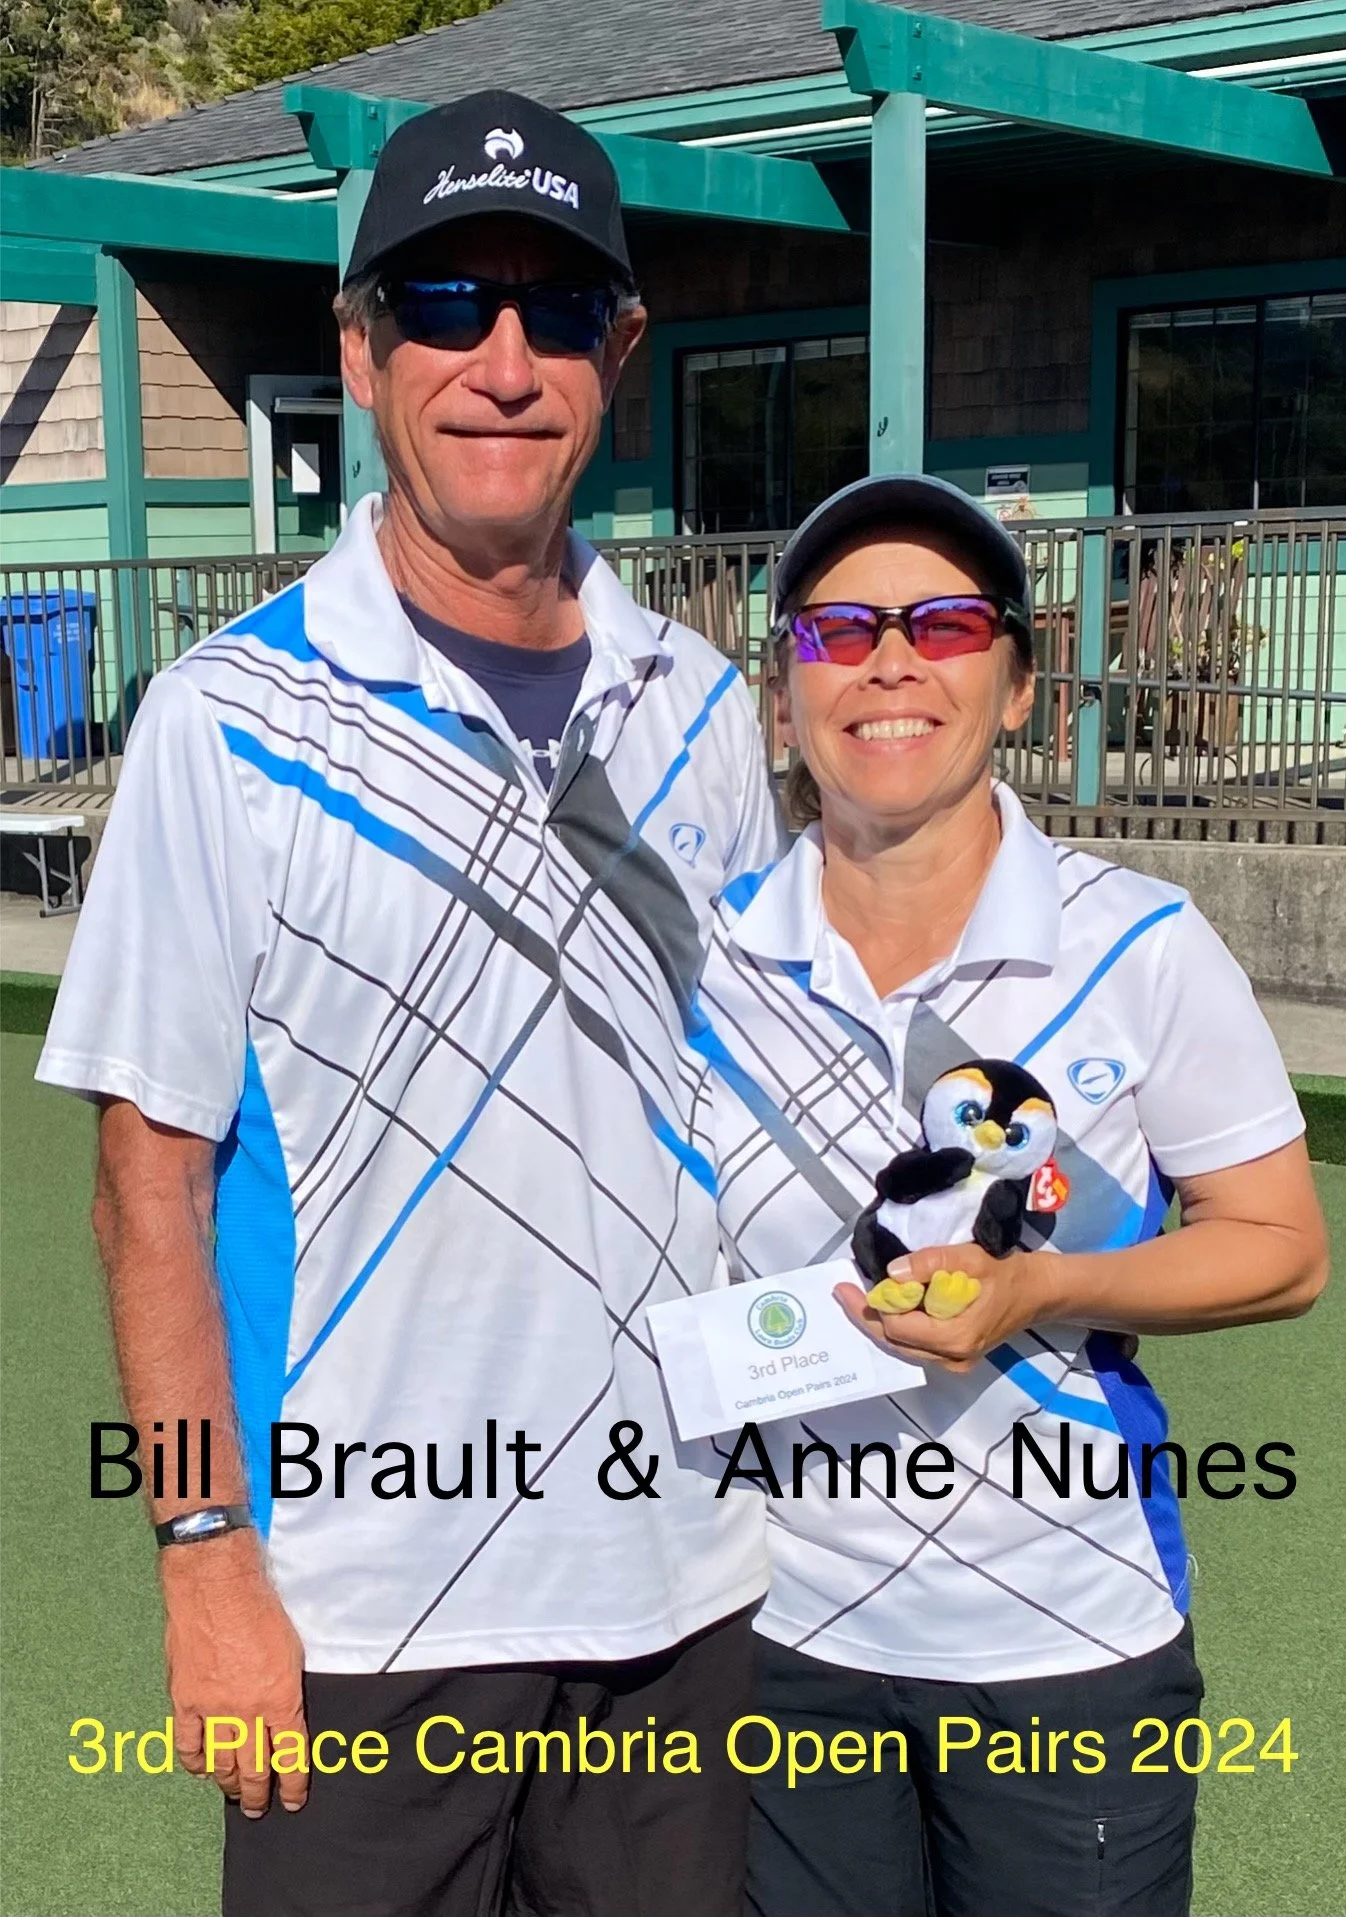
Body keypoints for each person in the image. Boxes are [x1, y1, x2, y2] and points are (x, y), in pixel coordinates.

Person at [37, 89, 783, 1917]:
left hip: (682, 1588)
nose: (501, 361)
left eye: (550, 311)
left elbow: (739, 1117)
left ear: (619, 353)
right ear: (363, 353)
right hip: (363, 1604)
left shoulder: (700, 702)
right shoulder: (228, 718)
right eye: (447, 305)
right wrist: (204, 1555)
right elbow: (151, 1178)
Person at [695, 473, 1329, 1917]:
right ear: (787, 694)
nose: (893, 661)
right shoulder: (706, 967)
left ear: (1020, 684)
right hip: (783, 1637)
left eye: (948, 622)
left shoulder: (1143, 946)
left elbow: (1281, 1249)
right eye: (840, 630)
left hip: (1068, 1641)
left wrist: (1048, 1287)